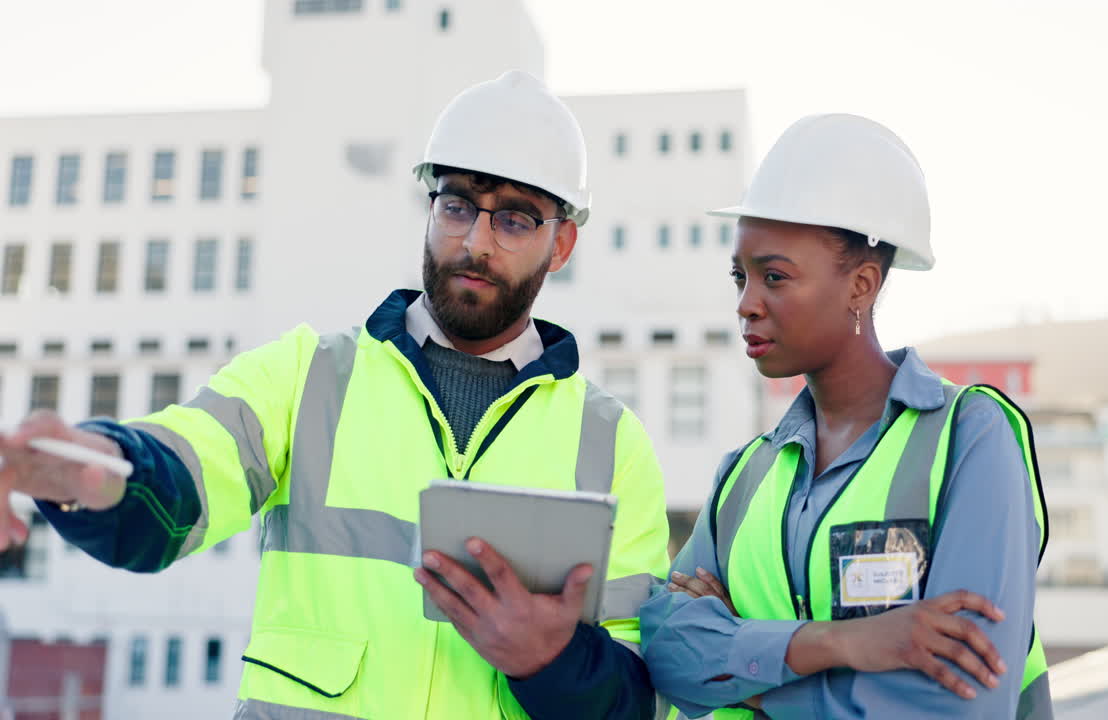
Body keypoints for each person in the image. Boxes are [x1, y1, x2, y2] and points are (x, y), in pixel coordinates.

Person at [0, 70, 670, 720]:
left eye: (516, 220)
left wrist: (551, 660)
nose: (475, 241)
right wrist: (85, 469)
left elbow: (642, 696)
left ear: (562, 244)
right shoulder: (309, 376)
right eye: (457, 205)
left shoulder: (611, 443)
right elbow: (177, 481)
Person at [639, 113, 1051, 719]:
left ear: (860, 285)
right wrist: (838, 644)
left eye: (774, 277)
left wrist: (743, 674)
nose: (746, 304)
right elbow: (666, 653)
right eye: (740, 276)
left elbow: (957, 705)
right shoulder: (745, 476)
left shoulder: (970, 439)